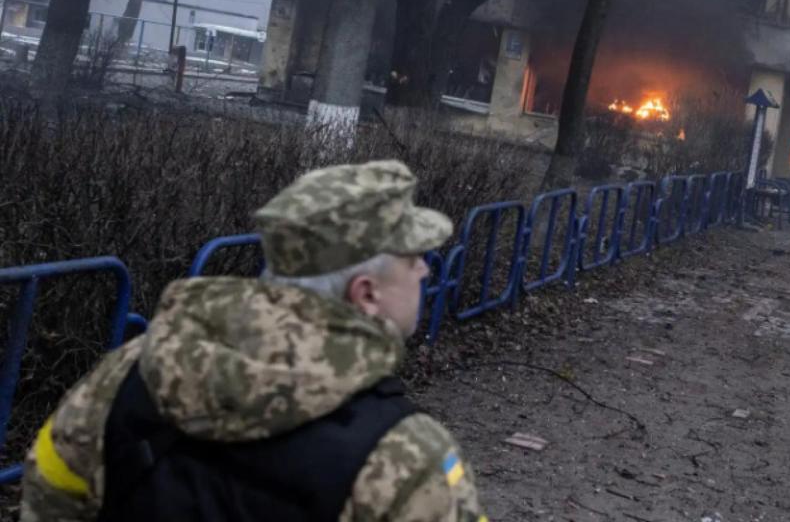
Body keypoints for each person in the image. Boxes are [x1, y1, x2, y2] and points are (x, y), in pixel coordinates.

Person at [20, 160, 487, 522]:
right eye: (413, 260)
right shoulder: (408, 456)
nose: (425, 269)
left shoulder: (133, 370)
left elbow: (48, 489)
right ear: (365, 293)